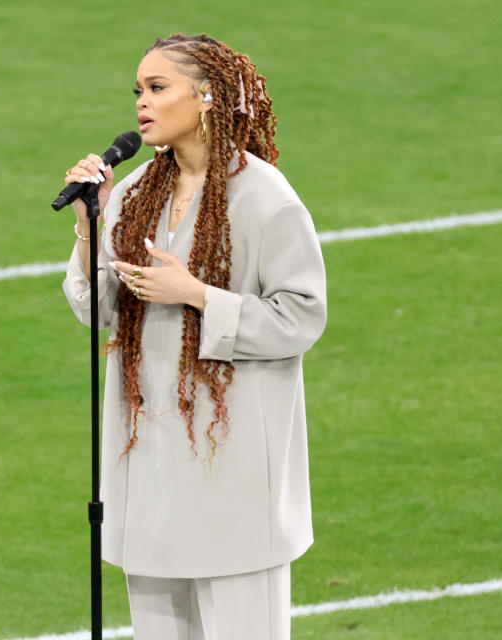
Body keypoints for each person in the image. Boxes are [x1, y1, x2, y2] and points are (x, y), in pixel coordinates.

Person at [61, 33, 327, 640]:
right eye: (138, 90)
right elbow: (96, 312)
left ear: (206, 96)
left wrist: (199, 295)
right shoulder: (132, 195)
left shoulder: (265, 200)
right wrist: (87, 224)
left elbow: (303, 316)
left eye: (157, 88)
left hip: (231, 481)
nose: (141, 104)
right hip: (148, 473)